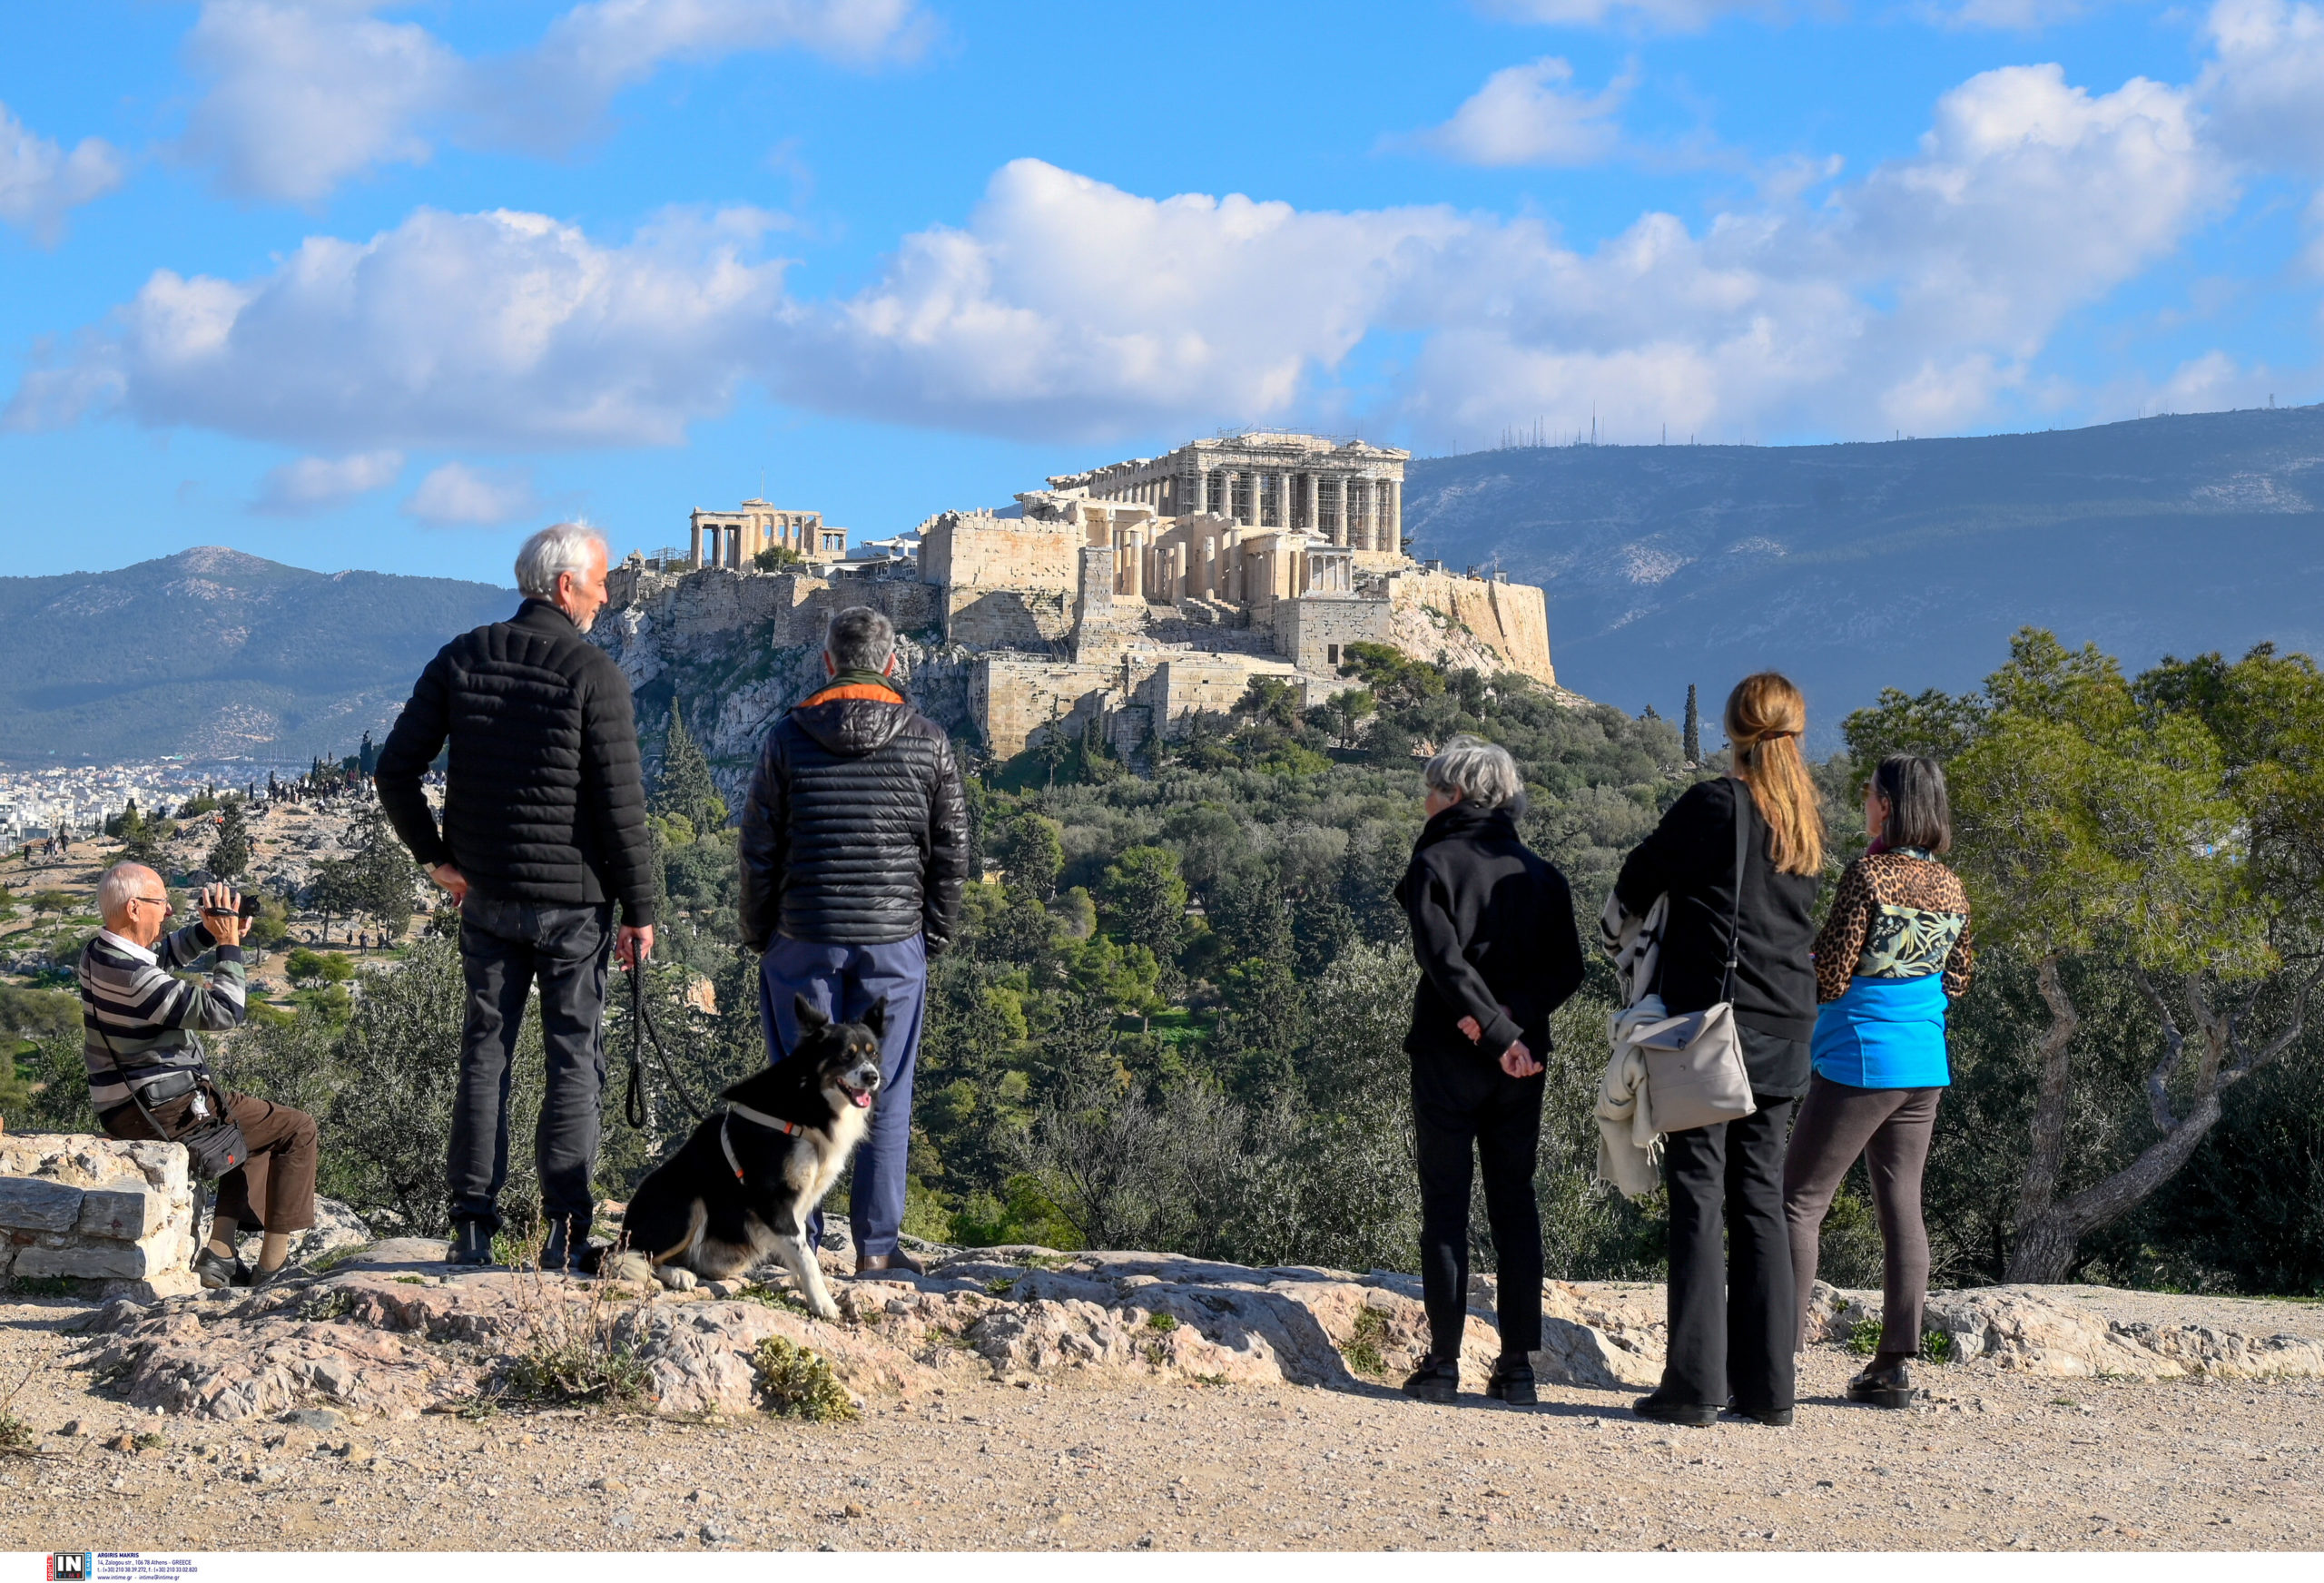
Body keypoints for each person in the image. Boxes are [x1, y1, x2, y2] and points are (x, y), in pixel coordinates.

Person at [375, 521, 656, 1273]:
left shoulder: (462, 657)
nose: (605, 596)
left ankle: (471, 1229)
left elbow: (393, 770)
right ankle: (566, 1235)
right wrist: (642, 911)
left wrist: (436, 860)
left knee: (484, 1056)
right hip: (575, 902)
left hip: (488, 895)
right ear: (565, 586)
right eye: (599, 582)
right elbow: (621, 808)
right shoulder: (594, 673)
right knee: (574, 1060)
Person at [1613, 673, 1824, 1428]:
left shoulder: (1714, 804)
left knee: (1698, 1193)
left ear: (1734, 731)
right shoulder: (1803, 819)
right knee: (1760, 1198)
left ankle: (1695, 1384)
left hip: (1714, 1027)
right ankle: (1771, 1389)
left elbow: (1637, 877)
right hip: (1791, 1029)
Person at [738, 605, 969, 1275]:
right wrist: (932, 938)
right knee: (884, 1088)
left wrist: (761, 935)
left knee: (798, 1093)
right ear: (893, 664)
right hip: (893, 938)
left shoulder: (786, 738)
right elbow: (952, 852)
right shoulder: (928, 740)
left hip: (801, 935)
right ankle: (876, 1249)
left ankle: (799, 1244)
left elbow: (757, 849)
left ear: (829, 663)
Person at [1393, 735, 1586, 1405]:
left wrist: (1488, 1027)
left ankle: (1443, 1362)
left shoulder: (1433, 864)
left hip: (1450, 1054)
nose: (1424, 802)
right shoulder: (1544, 873)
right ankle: (1518, 1367)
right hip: (1524, 1062)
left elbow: (1442, 962)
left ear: (1454, 796)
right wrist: (1514, 1025)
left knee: (1445, 1206)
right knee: (1516, 1205)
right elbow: (1569, 969)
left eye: (1431, 790)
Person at [1784, 755, 1973, 1408]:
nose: (1863, 802)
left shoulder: (1868, 874)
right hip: (1925, 1060)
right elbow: (1958, 978)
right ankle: (1893, 1365)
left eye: (1868, 794)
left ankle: (1774, 1354)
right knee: (1902, 1207)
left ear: (1887, 806)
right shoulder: (1951, 886)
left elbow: (1831, 975)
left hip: (1860, 1057)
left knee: (1799, 1202)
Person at [81, 862, 320, 1288]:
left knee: (254, 1128)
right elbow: (226, 1011)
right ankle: (273, 1267)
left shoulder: (97, 954)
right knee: (296, 1128)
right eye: (161, 903)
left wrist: (209, 932)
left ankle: (221, 1256)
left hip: (126, 1105)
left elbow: (163, 952)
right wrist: (229, 947)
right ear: (135, 908)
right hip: (164, 1110)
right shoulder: (136, 980)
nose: (169, 911)